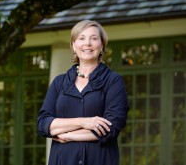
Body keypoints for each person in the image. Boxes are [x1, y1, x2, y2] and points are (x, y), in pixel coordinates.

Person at [37, 20, 129, 165]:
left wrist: (67, 136)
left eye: (94, 38)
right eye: (81, 38)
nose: (87, 43)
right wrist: (85, 122)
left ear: (102, 46)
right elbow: (44, 124)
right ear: (74, 45)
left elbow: (111, 127)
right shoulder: (59, 82)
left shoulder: (113, 81)